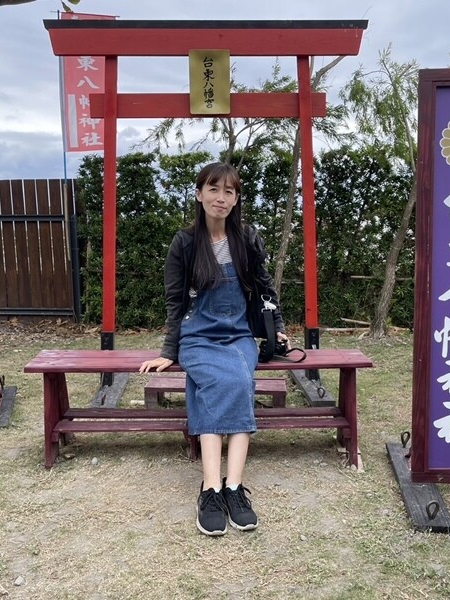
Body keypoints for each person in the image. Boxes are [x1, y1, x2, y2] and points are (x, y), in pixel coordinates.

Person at [139, 161, 289, 536]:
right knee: (213, 382)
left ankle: (232, 488)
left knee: (238, 380)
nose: (221, 198)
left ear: (236, 199)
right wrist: (169, 351)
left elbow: (265, 289)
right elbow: (175, 301)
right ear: (199, 194)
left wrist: (278, 330)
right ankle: (211, 489)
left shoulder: (248, 239)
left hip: (238, 334)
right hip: (197, 336)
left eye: (229, 191)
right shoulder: (185, 243)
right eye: (213, 189)